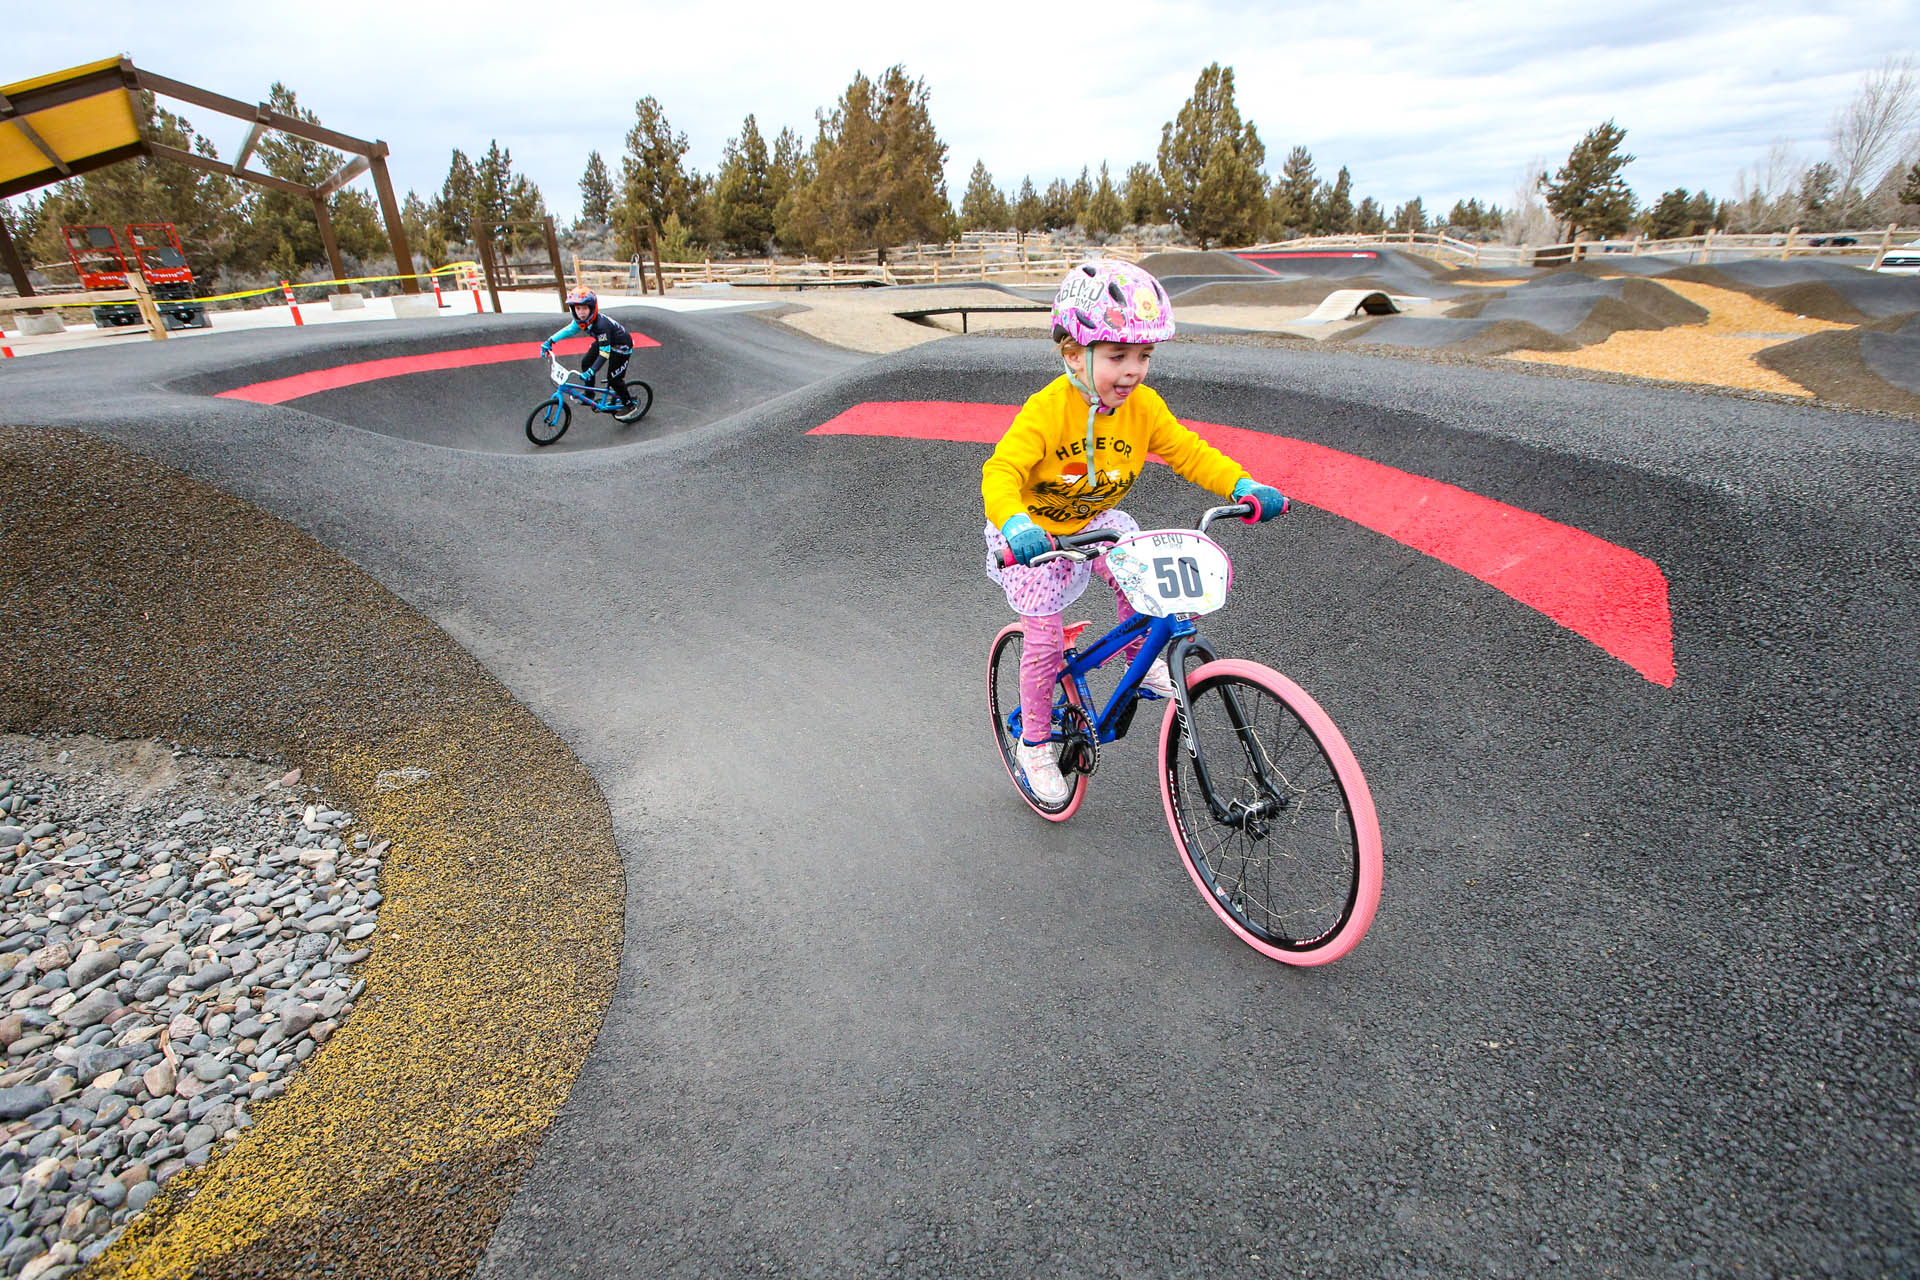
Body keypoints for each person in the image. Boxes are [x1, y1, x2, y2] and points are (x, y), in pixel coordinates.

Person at [981, 259, 1289, 804]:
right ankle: (1034, 744)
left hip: (1094, 524)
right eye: (1118, 355)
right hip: (1036, 539)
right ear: (1074, 354)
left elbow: (1188, 451)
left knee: (1140, 568)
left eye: (1144, 356)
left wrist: (1241, 484)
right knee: (1045, 643)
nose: (1134, 370)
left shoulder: (1142, 408)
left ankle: (1138, 664)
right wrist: (1016, 523)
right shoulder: (1046, 411)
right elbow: (1001, 471)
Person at [540, 287, 645, 423]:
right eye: (578, 309)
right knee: (585, 362)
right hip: (605, 342)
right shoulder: (581, 321)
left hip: (621, 347)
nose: (581, 313)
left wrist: (592, 371)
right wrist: (550, 341)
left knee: (614, 379)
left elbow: (604, 353)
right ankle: (589, 393)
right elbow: (569, 330)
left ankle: (629, 405)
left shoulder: (601, 326)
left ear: (592, 308)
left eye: (584, 308)